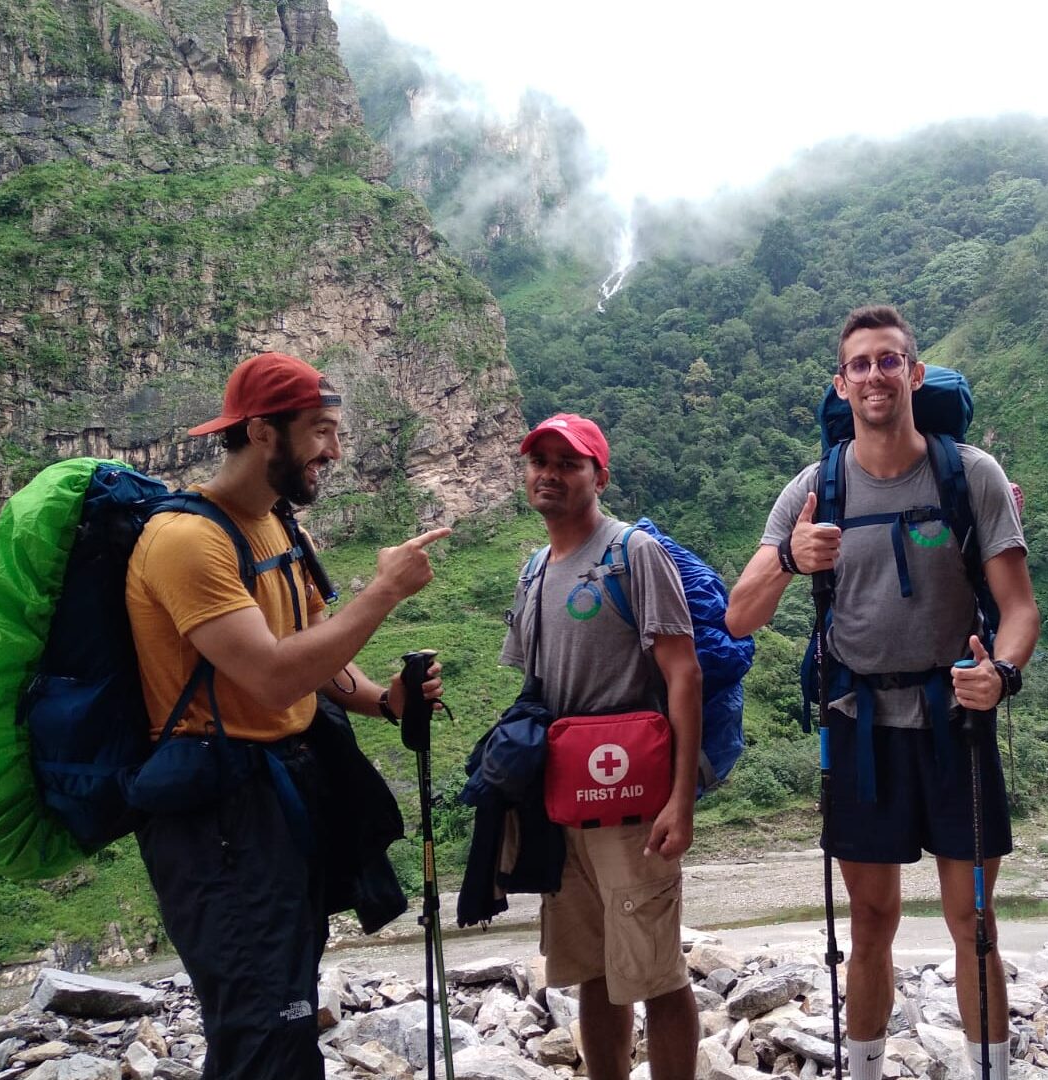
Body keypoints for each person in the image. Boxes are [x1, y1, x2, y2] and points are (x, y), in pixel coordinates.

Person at [726, 305, 1040, 1080]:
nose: (874, 374)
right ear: (842, 381)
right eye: (859, 364)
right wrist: (792, 559)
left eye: (888, 360)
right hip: (859, 725)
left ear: (914, 372)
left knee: (974, 923)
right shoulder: (816, 488)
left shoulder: (969, 474)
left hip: (956, 721)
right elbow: (741, 614)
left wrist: (998, 675)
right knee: (871, 921)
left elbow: (1020, 607)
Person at [126, 351, 451, 1080]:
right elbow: (273, 678)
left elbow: (311, 650)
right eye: (322, 431)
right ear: (263, 432)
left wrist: (381, 700)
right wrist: (383, 592)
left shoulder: (277, 526)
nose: (335, 451)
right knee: (262, 1030)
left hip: (279, 796)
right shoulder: (187, 541)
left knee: (288, 1010)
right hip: (216, 816)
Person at [500, 413, 703, 1080]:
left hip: (634, 802)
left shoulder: (632, 553)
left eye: (568, 463)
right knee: (593, 970)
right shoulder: (532, 570)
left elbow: (683, 671)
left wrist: (681, 800)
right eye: (540, 461)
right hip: (564, 802)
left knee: (656, 970)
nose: (550, 474)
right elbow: (534, 695)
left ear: (599, 476)